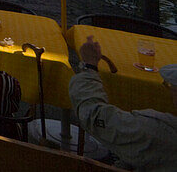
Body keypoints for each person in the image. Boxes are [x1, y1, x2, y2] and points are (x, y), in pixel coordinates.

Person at [70, 36, 177, 171]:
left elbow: (92, 114)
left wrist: (89, 66)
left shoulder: (158, 132)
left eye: (171, 86)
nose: (169, 89)